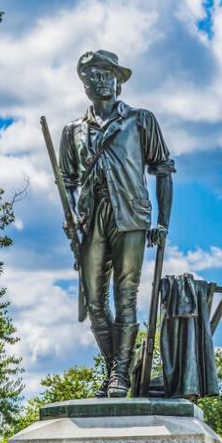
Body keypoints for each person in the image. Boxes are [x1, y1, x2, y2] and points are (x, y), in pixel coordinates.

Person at [59, 49, 175, 398]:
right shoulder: (72, 131)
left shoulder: (140, 120)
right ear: (85, 87)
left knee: (126, 299)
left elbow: (163, 169)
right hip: (91, 219)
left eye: (107, 73)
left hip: (131, 217)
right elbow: (67, 179)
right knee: (94, 301)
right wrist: (70, 219)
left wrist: (163, 222)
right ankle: (116, 367)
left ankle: (119, 376)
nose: (100, 80)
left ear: (118, 81)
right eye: (93, 75)